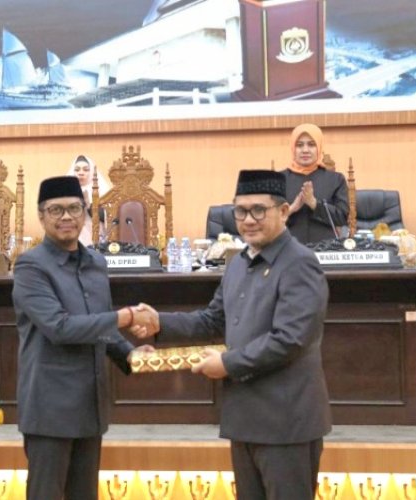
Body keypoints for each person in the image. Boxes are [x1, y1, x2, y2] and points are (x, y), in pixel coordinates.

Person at [134, 170, 331, 499]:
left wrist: (228, 363)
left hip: (286, 422)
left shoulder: (300, 263)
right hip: (245, 417)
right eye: (240, 211)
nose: (248, 220)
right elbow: (213, 320)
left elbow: (291, 339)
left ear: (283, 212)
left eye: (258, 210)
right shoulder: (238, 263)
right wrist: (160, 323)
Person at [12, 176, 155, 500]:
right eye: (56, 210)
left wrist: (128, 354)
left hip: (89, 405)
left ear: (86, 213)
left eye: (74, 208)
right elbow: (60, 328)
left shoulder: (96, 263)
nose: (66, 217)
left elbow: (99, 324)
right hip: (50, 407)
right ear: (41, 215)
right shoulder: (30, 267)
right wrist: (127, 317)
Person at [283, 123, 349, 244]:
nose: (305, 150)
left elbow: (343, 218)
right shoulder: (280, 179)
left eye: (311, 145)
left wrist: (314, 204)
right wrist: (291, 209)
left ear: (319, 147)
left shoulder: (335, 179)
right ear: (293, 148)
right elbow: (268, 222)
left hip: (326, 250)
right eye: (299, 145)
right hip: (287, 250)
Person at [67, 154, 111, 246]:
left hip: (96, 237)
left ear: (91, 172)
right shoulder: (65, 190)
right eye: (77, 169)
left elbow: (110, 217)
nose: (81, 173)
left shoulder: (102, 189)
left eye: (86, 170)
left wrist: (91, 207)